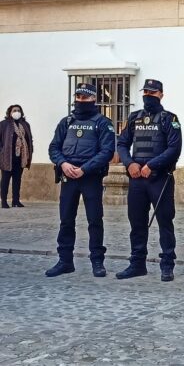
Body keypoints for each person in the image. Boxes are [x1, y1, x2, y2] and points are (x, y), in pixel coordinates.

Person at [115, 79, 182, 282]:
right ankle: (137, 264)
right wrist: (129, 164)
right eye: (145, 92)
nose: (148, 96)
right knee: (136, 223)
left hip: (159, 179)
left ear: (161, 95)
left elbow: (174, 148)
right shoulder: (134, 118)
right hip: (136, 178)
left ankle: (167, 265)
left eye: (152, 93)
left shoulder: (169, 119)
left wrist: (151, 165)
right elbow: (122, 143)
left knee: (164, 222)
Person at [46, 83, 116, 277]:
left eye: (85, 97)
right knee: (66, 220)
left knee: (95, 220)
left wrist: (85, 169)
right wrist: (63, 164)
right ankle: (65, 261)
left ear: (93, 98)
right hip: (68, 176)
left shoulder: (103, 122)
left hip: (90, 177)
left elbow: (107, 151)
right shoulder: (66, 121)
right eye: (78, 97)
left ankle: (97, 262)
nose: (81, 100)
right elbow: (54, 148)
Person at [0, 105, 33, 208]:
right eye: (14, 110)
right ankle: (4, 201)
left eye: (18, 110)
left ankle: (16, 201)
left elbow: (29, 139)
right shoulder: (3, 124)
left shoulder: (25, 124)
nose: (17, 112)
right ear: (9, 112)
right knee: (5, 180)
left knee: (17, 180)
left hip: (21, 158)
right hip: (7, 158)